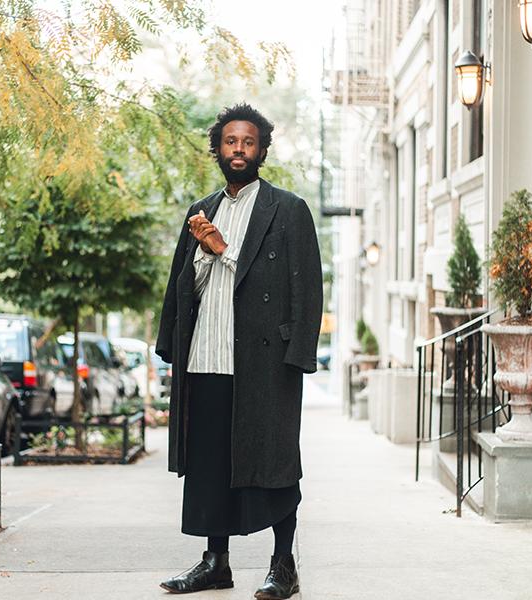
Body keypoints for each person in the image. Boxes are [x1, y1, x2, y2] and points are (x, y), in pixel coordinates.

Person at [155, 103, 323, 599]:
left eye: (248, 142)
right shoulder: (200, 211)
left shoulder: (287, 209)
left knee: (272, 463)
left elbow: (307, 288)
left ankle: (283, 566)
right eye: (230, 142)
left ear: (262, 150)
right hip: (206, 356)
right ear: (218, 148)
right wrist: (205, 254)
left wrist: (298, 355)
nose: (239, 150)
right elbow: (182, 286)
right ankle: (216, 562)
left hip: (264, 363)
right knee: (210, 464)